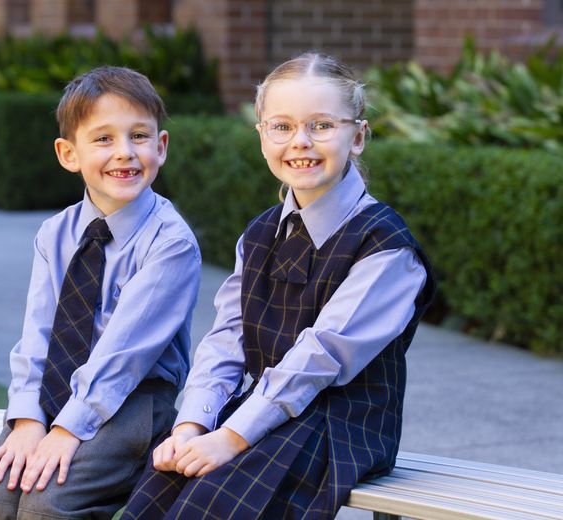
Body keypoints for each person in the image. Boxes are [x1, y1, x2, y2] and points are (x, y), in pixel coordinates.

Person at [121, 52, 436, 520]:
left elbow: (321, 355)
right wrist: (193, 423)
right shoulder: (260, 233)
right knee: (159, 492)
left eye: (322, 125)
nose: (301, 142)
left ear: (359, 136)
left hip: (341, 427)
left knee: (209, 505)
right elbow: (227, 338)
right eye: (282, 126)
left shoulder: (387, 247)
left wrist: (230, 438)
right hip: (268, 410)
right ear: (262, 135)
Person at [0, 66, 201, 520]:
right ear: (68, 153)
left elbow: (123, 357)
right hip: (56, 391)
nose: (125, 153)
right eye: (104, 139)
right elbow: (36, 335)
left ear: (162, 146)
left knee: (48, 505)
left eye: (139, 136)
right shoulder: (55, 233)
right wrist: (29, 420)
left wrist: (66, 431)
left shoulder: (170, 242)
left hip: (132, 401)